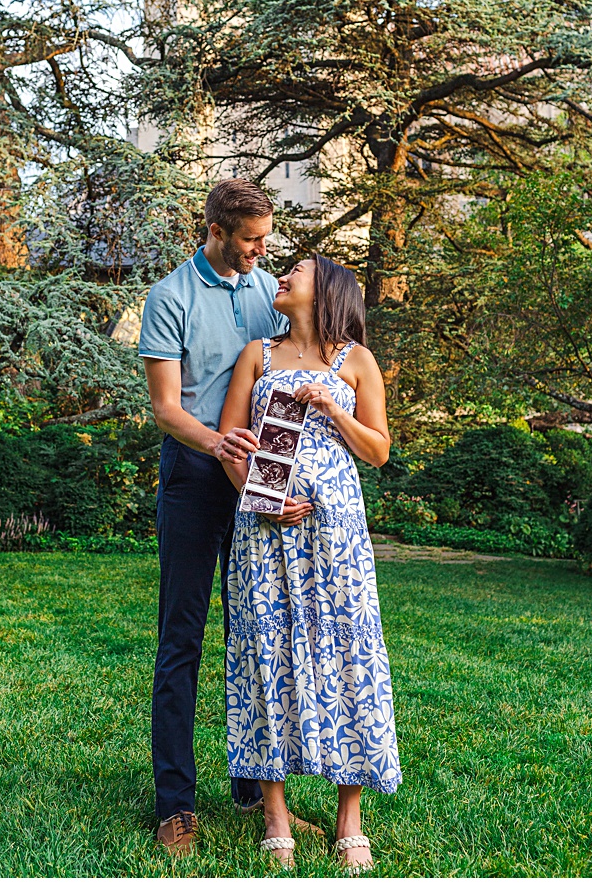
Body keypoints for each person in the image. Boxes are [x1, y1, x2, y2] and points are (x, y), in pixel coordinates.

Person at [139, 179, 323, 854]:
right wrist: (216, 442)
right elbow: (165, 407)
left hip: (258, 481)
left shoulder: (265, 288)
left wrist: (279, 480)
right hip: (194, 477)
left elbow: (292, 370)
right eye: (251, 239)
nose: (261, 250)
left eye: (266, 239)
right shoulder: (170, 298)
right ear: (216, 230)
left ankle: (255, 796)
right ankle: (175, 806)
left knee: (255, 638)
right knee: (182, 640)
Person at [216, 253, 400, 873]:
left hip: (336, 530)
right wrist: (258, 498)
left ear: (325, 290)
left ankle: (350, 815)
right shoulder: (256, 356)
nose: (283, 276)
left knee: (346, 649)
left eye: (296, 269)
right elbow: (230, 444)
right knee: (266, 649)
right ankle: (274, 813)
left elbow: (377, 450)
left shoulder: (356, 360)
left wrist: (334, 408)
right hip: (265, 529)